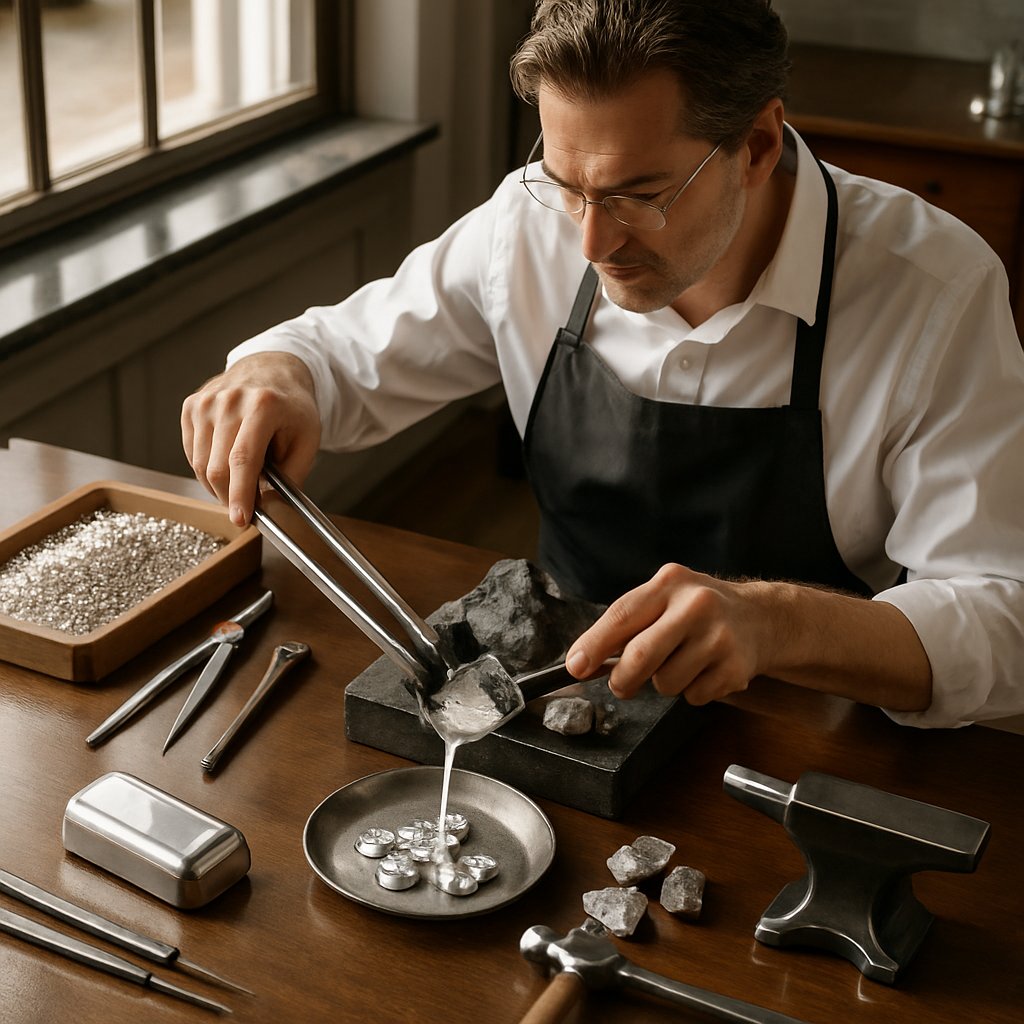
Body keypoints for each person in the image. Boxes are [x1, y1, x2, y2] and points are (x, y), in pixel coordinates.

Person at [181, 0, 1024, 729]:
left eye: (638, 195)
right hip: (561, 707)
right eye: (566, 184)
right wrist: (279, 371)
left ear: (759, 145)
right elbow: (334, 358)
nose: (591, 241)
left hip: (806, 730)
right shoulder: (530, 220)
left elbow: (1003, 615)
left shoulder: (933, 290)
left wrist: (777, 623)